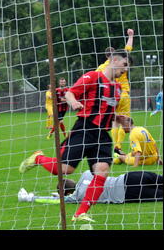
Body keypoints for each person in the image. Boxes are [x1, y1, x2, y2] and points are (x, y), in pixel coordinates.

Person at [19, 49, 132, 222]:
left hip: (102, 135)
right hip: (84, 129)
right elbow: (69, 93)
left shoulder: (117, 89)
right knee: (64, 169)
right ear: (114, 60)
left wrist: (119, 120)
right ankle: (38, 158)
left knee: (102, 172)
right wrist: (73, 102)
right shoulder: (93, 77)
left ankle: (80, 213)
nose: (125, 70)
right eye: (124, 65)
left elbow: (106, 112)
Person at [18, 170, 163, 207]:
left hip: (127, 193)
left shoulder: (78, 197)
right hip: (130, 177)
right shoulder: (86, 174)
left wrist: (30, 197)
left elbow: (56, 201)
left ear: (66, 193)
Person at [96, 29, 134, 155]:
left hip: (111, 96)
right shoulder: (122, 61)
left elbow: (95, 77)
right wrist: (131, 35)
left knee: (115, 122)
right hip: (123, 93)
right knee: (125, 120)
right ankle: (118, 146)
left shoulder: (102, 66)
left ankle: (115, 147)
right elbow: (128, 47)